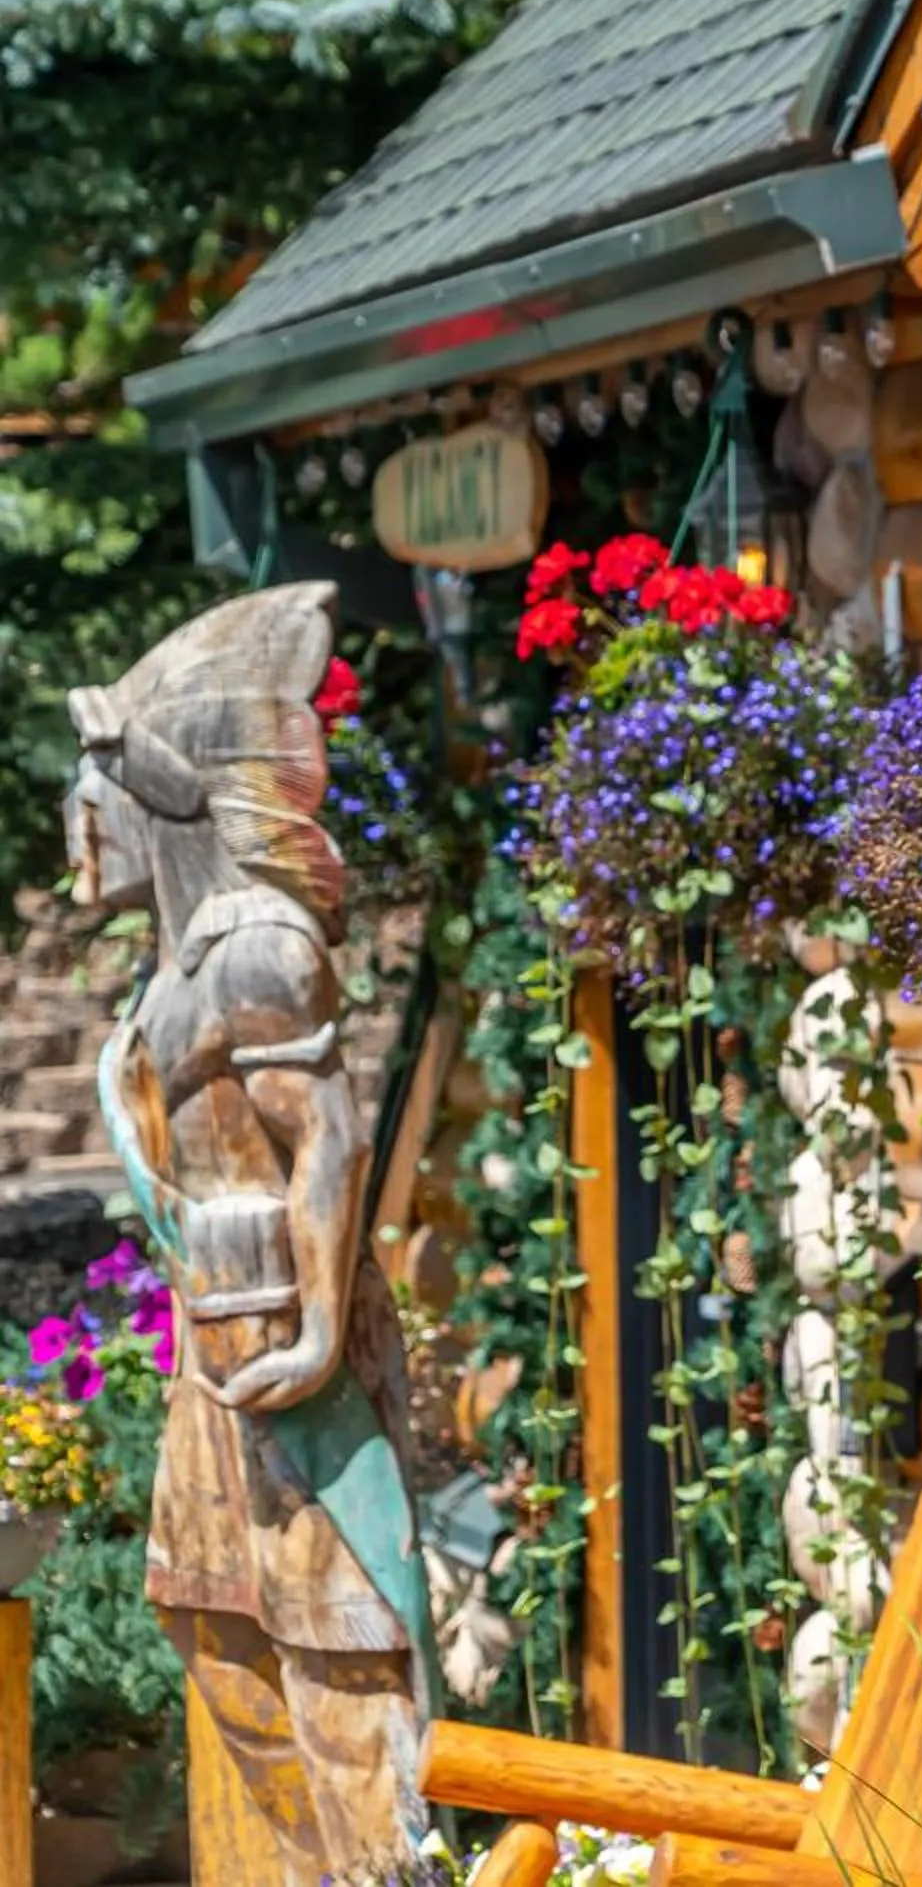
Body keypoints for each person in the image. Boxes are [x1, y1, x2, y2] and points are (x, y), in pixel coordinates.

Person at [67, 583, 428, 1883]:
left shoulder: (260, 952)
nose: (72, 834)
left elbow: (329, 1134)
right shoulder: (174, 969)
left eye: (87, 797)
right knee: (208, 1618)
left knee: (340, 1637)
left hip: (291, 1330)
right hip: (207, 1344)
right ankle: (324, 1871)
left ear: (152, 792)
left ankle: (389, 1864)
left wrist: (328, 1328)